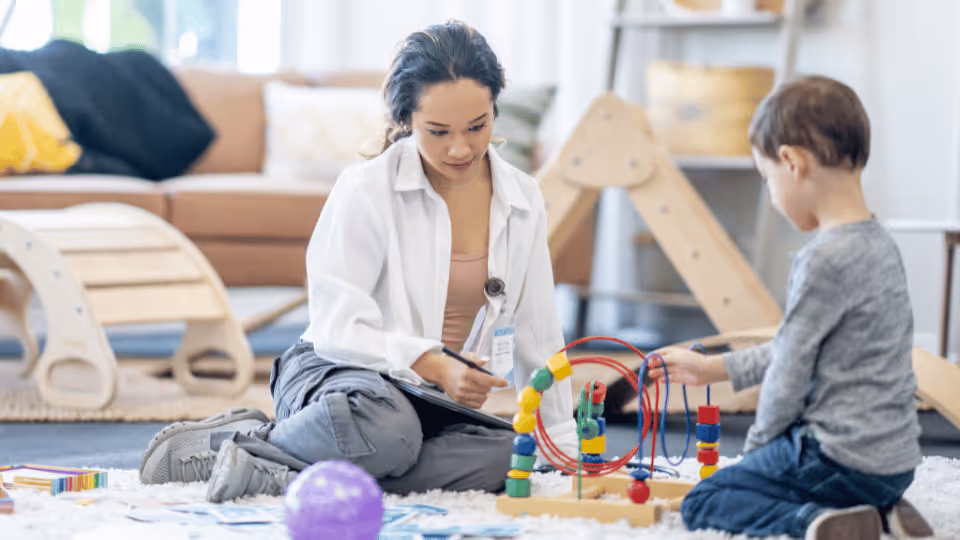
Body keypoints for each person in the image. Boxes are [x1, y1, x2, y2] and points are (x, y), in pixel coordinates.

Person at [138, 20, 577, 502]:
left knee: (508, 456)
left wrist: (564, 447)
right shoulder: (367, 189)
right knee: (389, 429)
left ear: (496, 106)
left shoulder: (522, 198)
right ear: (408, 119)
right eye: (438, 131)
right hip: (334, 374)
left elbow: (539, 330)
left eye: (478, 127)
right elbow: (336, 326)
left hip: (424, 401)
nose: (461, 148)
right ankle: (239, 445)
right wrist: (429, 361)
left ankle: (283, 468)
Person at [648, 76, 935, 540]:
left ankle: (813, 522)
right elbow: (793, 348)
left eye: (767, 179)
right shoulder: (882, 245)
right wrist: (711, 369)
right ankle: (882, 508)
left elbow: (788, 374)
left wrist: (757, 455)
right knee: (796, 472)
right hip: (896, 462)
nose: (772, 193)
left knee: (705, 500)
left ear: (791, 163)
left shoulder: (821, 260)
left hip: (838, 456)